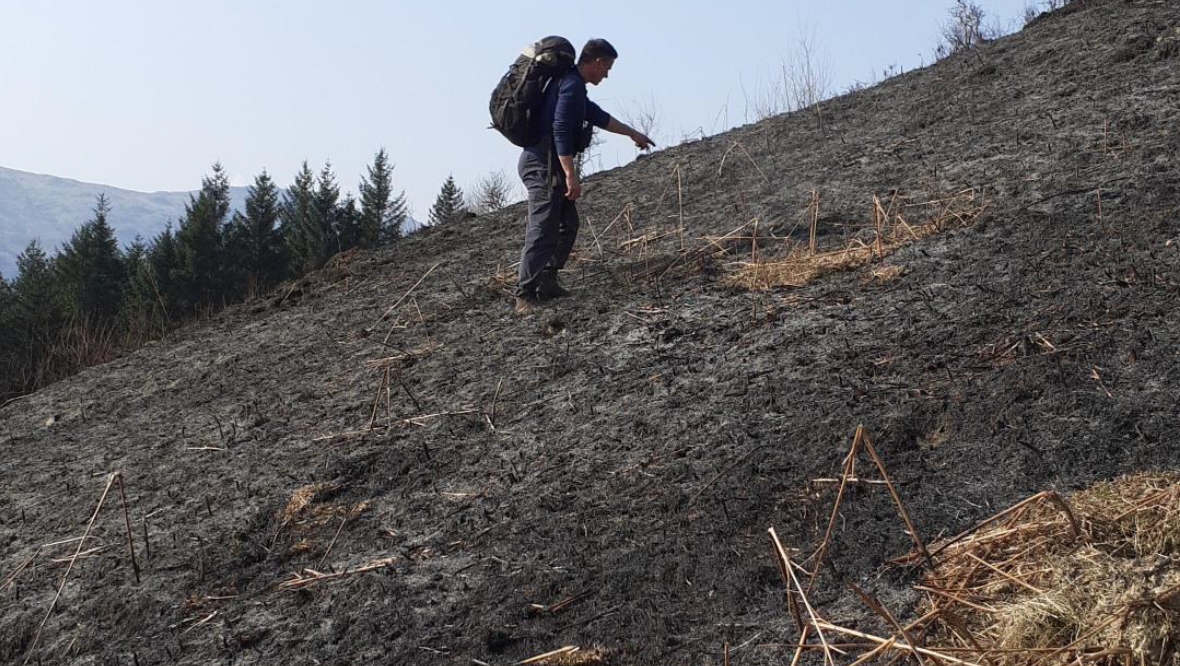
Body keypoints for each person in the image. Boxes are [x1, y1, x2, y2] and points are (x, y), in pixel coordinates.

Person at [514, 38, 655, 314]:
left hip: (548, 164)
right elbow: (561, 130)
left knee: (568, 224)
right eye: (608, 67)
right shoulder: (570, 87)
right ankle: (524, 294)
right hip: (541, 164)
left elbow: (598, 116)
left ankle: (547, 281)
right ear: (597, 62)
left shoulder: (574, 87)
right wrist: (571, 175)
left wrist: (632, 133)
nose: (607, 74)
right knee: (543, 228)